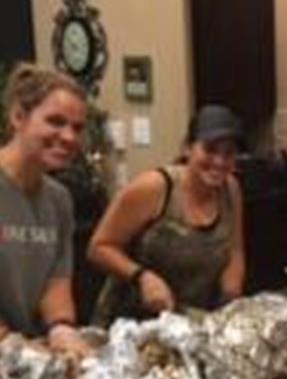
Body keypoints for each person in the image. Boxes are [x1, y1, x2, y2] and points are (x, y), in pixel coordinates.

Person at [89, 105, 245, 325]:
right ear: (188, 148)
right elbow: (98, 248)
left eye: (229, 153)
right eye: (210, 149)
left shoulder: (230, 189)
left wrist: (230, 305)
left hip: (187, 323)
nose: (219, 162)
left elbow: (235, 251)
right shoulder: (155, 188)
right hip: (129, 324)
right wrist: (141, 276)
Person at [0, 62, 91, 362]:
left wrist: (61, 327)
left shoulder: (59, 200)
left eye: (77, 127)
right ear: (18, 117)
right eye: (55, 121)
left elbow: (56, 280)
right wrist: (12, 345)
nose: (68, 137)